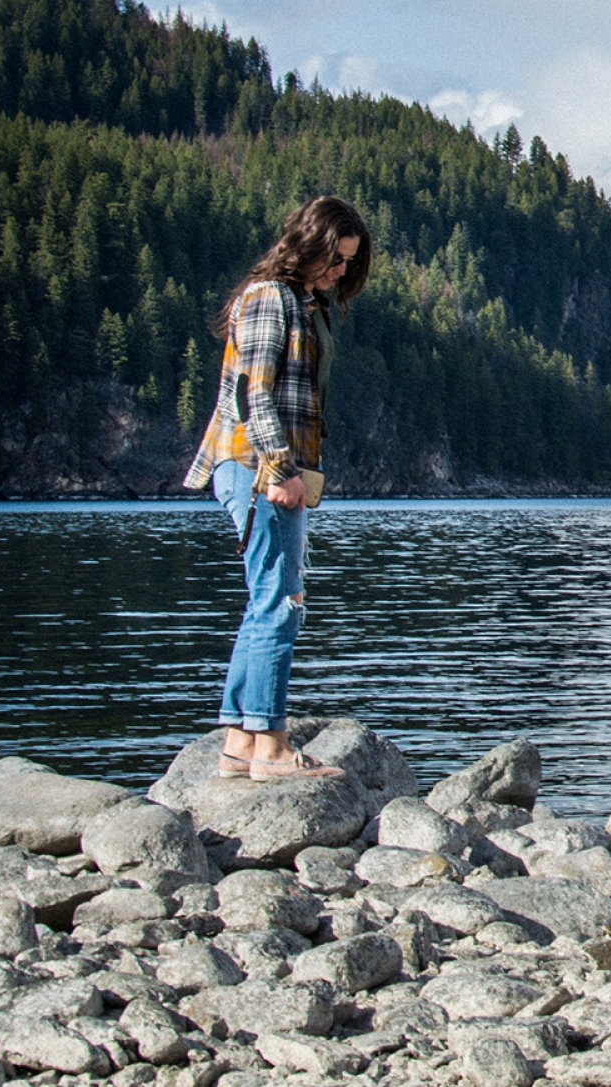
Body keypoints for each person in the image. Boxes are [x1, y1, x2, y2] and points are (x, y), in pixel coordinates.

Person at [181, 196, 371, 781]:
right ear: (308, 245)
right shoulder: (269, 298)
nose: (340, 272)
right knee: (280, 604)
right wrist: (281, 469)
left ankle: (240, 739)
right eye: (334, 259)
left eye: (348, 263)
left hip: (265, 466)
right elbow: (250, 394)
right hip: (256, 465)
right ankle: (271, 745)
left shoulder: (304, 303)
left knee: (268, 599)